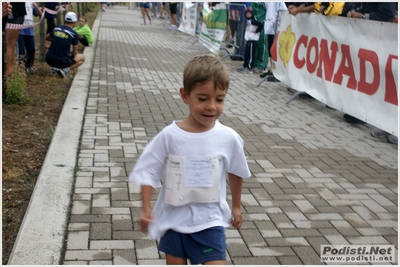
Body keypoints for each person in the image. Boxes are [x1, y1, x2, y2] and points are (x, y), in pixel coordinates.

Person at [129, 54, 251, 265]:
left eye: (219, 99)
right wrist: (146, 208)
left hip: (210, 222)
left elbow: (236, 171)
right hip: (174, 222)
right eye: (202, 99)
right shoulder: (170, 136)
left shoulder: (228, 138)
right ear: (185, 96)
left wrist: (236, 207)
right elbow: (148, 170)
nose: (212, 106)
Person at [347, 2, 397, 144]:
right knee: (382, 88)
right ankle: (385, 126)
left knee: (391, 87)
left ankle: (394, 128)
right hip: (374, 43)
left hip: (385, 42)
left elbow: (388, 14)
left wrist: (363, 16)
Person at [45, 11, 85, 78]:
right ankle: (65, 70)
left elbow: (47, 37)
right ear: (74, 22)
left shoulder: (56, 28)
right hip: (62, 62)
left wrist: (58, 38)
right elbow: (75, 54)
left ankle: (53, 69)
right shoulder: (74, 34)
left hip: (48, 59)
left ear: (65, 20)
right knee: (82, 58)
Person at [259, 2, 287, 80]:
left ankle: (276, 71)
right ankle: (271, 69)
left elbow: (283, 11)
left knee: (275, 50)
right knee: (270, 49)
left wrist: (276, 21)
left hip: (276, 28)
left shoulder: (279, 2)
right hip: (269, 28)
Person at [237, 7, 263, 74]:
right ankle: (245, 65)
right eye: (247, 13)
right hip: (249, 40)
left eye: (249, 13)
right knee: (246, 54)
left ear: (252, 14)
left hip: (252, 40)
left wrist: (257, 31)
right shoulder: (249, 21)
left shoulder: (253, 21)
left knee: (251, 55)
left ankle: (249, 68)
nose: (248, 14)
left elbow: (261, 25)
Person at [18, 2, 42, 74]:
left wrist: (36, 7)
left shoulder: (31, 3)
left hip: (30, 31)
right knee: (21, 51)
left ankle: (28, 66)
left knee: (32, 50)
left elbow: (40, 15)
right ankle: (21, 68)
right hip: (20, 30)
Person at [5, 2, 26, 77]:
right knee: (11, 43)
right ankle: (8, 70)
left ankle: (10, 69)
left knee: (13, 43)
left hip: (20, 13)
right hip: (11, 13)